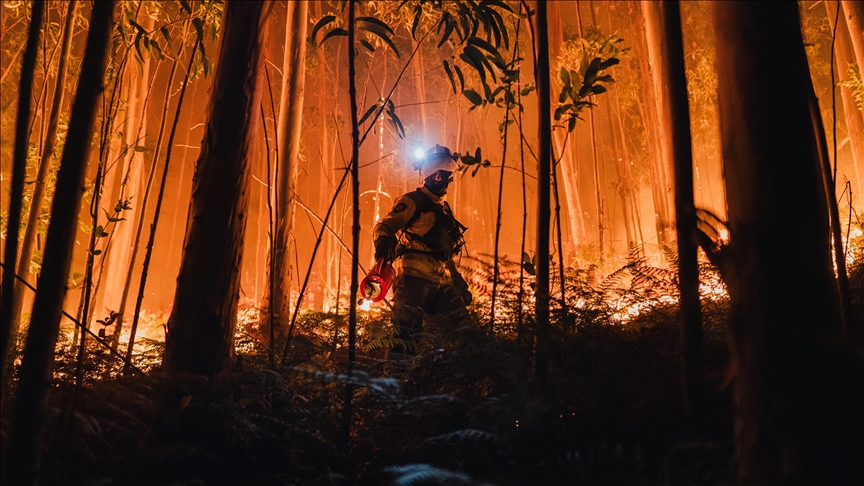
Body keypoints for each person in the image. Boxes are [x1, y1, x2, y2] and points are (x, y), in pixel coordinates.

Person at [373, 144, 473, 355]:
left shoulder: (444, 209)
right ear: (429, 175)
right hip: (412, 281)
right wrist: (383, 246)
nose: (442, 180)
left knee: (464, 331)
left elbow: (444, 252)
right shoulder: (412, 201)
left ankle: (461, 380)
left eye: (445, 176)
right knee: (405, 338)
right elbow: (385, 226)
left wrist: (458, 282)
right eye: (438, 176)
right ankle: (393, 384)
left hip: (441, 281)